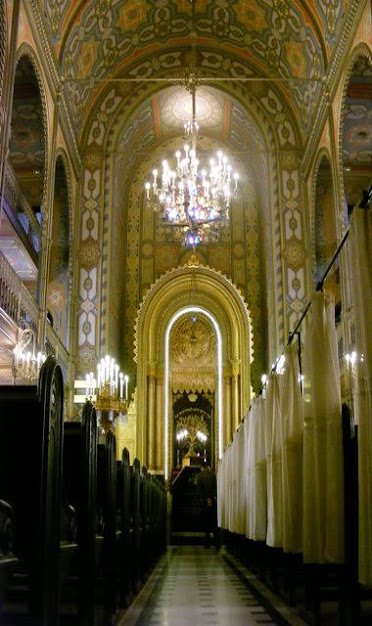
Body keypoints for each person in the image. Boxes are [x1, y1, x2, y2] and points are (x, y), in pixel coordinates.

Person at [197, 464, 218, 548]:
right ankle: (216, 543)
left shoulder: (200, 475)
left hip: (205, 500)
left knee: (206, 522)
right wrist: (212, 497)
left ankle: (207, 543)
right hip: (212, 500)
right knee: (213, 521)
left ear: (202, 467)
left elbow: (200, 489)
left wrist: (206, 498)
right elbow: (215, 487)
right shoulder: (213, 474)